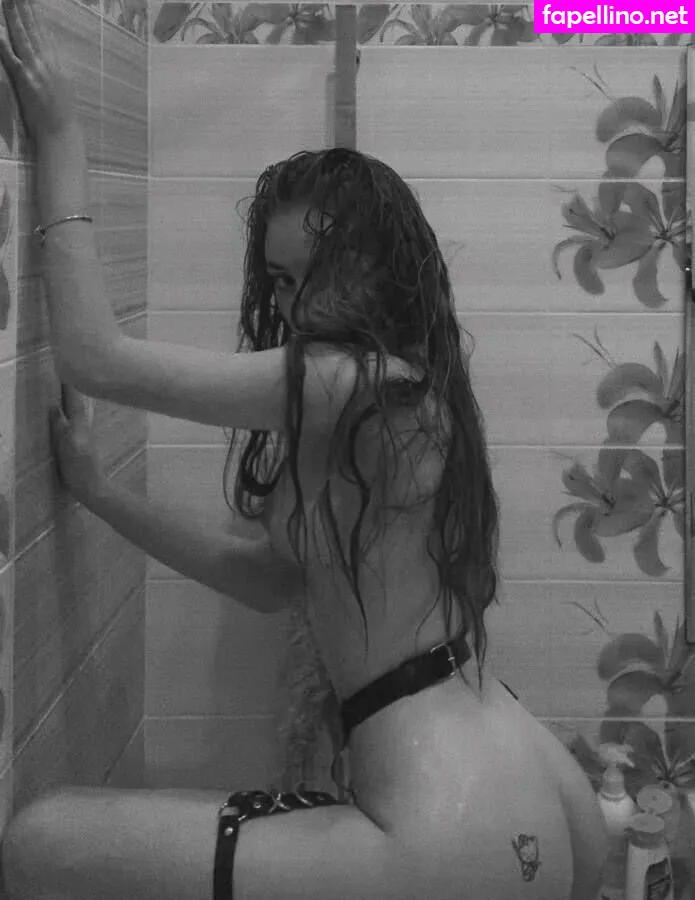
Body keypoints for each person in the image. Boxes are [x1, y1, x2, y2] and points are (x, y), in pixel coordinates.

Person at [0, 1, 608, 899]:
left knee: (40, 840)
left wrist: (59, 137)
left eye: (324, 275)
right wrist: (97, 490)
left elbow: (95, 357)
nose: (297, 306)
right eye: (282, 281)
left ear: (381, 269)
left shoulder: (350, 379)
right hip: (526, 787)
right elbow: (267, 578)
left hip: (453, 821)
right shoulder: (406, 395)